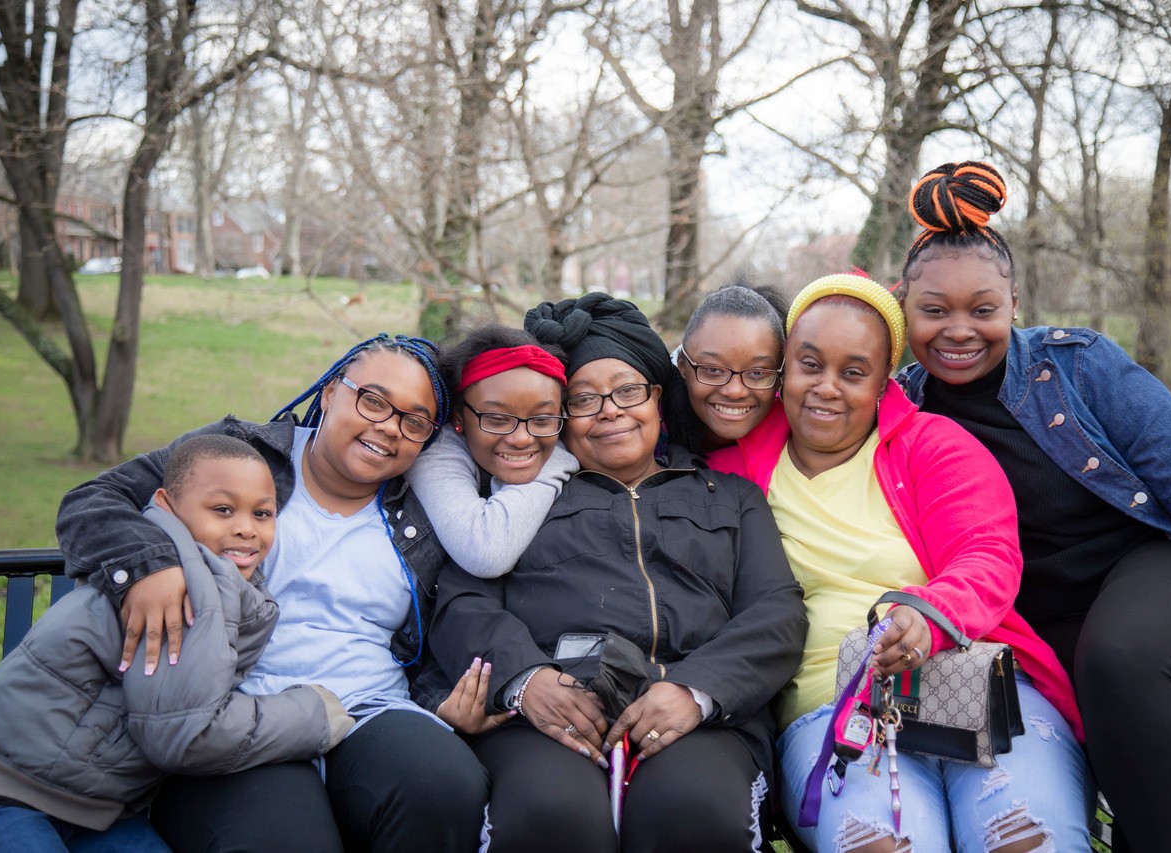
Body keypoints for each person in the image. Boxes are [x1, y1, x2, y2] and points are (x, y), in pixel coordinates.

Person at [893, 161, 1171, 853]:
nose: (958, 329)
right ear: (903, 305)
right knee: (1061, 711)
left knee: (1117, 657)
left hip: (1153, 579)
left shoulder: (1079, 367)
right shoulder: (898, 414)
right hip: (1027, 623)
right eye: (934, 309)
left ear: (1015, 304)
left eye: (982, 308)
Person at [53, 333, 489, 853]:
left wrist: (442, 699)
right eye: (373, 400)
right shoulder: (245, 453)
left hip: (366, 707)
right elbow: (93, 500)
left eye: (414, 421)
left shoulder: (427, 505)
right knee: (283, 839)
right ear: (330, 392)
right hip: (234, 708)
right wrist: (146, 569)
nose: (388, 427)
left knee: (443, 788)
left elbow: (462, 605)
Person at [709, 274, 1091, 853]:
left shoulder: (933, 446)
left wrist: (929, 615)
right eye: (810, 364)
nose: (826, 388)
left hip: (972, 686)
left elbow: (986, 554)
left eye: (853, 372)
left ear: (885, 381)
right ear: (784, 366)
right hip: (830, 709)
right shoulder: (734, 471)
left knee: (1021, 838)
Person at [429, 292, 808, 852]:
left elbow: (776, 612)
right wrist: (526, 680)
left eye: (628, 390)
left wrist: (693, 689)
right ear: (560, 419)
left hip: (697, 713)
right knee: (551, 816)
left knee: (695, 812)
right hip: (553, 709)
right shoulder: (527, 496)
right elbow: (463, 605)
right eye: (584, 400)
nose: (611, 410)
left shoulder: (730, 497)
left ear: (657, 398)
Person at [0, 434, 353, 853]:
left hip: (94, 806)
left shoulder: (177, 565)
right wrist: (315, 712)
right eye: (223, 510)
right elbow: (187, 736)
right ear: (168, 506)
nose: (246, 527)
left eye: (263, 513)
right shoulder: (196, 587)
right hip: (5, 791)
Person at [407, 325, 580, 579]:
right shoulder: (434, 450)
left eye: (542, 419)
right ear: (459, 416)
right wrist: (558, 460)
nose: (521, 438)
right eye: (497, 419)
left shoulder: (559, 435)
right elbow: (485, 552)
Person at [670, 284, 791, 452]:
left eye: (757, 373)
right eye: (713, 370)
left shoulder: (796, 440)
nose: (735, 391)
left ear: (780, 377)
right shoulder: (651, 430)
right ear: (683, 366)